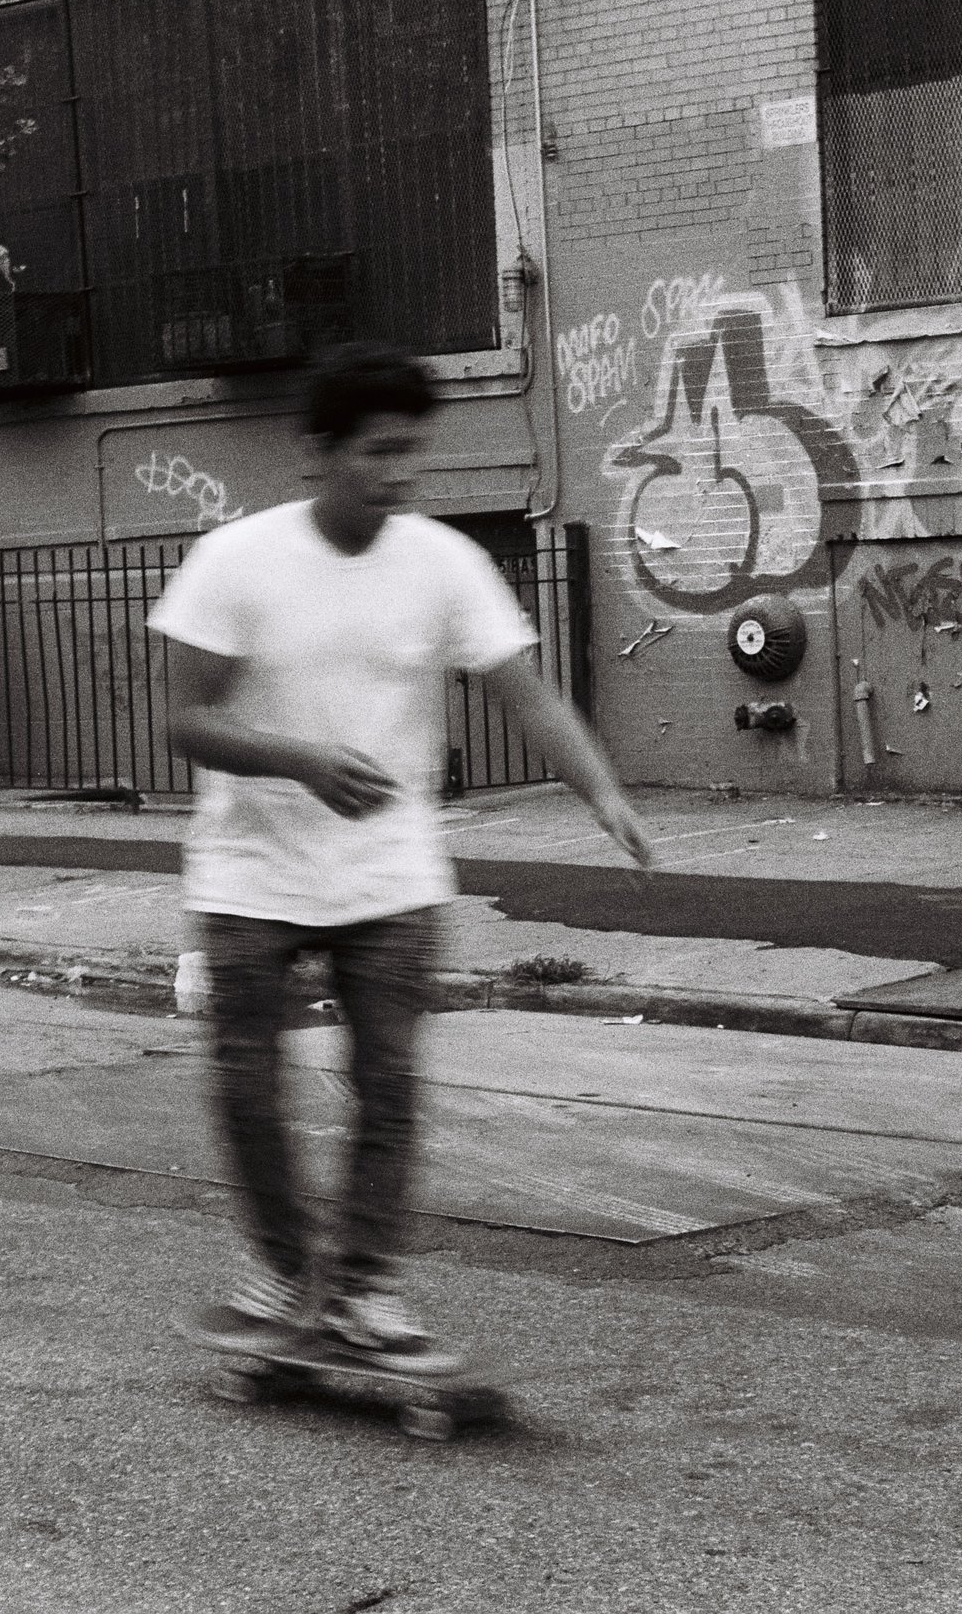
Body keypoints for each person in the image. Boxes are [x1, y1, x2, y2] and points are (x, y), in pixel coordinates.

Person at [149, 342, 654, 1375]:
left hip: (388, 874)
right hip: (252, 873)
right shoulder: (235, 562)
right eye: (376, 453)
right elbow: (185, 722)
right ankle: (289, 1275)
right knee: (247, 1086)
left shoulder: (442, 562)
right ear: (318, 451)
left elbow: (528, 694)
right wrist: (298, 760)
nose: (397, 474)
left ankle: (365, 1286)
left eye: (409, 453)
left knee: (389, 1087)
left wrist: (600, 792)